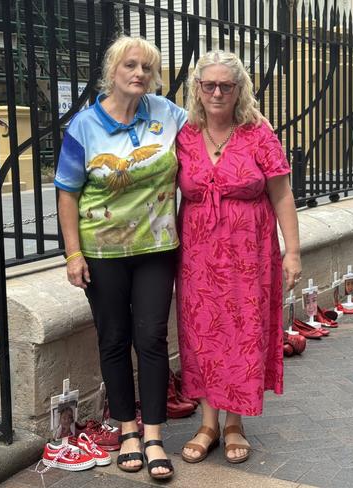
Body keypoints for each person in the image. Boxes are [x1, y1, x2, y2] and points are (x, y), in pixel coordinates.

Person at [55, 35, 188, 480]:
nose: (139, 75)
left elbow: (213, 130)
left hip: (156, 248)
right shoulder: (84, 127)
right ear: (112, 71)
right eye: (130, 66)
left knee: (151, 338)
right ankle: (126, 430)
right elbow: (67, 195)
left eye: (147, 69)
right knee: (114, 339)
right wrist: (73, 254)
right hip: (102, 251)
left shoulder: (168, 115)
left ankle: (153, 435)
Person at [175, 50, 301, 464]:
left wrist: (293, 253)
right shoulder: (184, 134)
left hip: (249, 251)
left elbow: (282, 194)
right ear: (197, 88)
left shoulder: (258, 134)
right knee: (202, 334)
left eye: (225, 86)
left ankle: (234, 423)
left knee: (241, 333)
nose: (216, 92)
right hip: (197, 254)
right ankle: (208, 423)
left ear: (239, 89)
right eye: (208, 84)